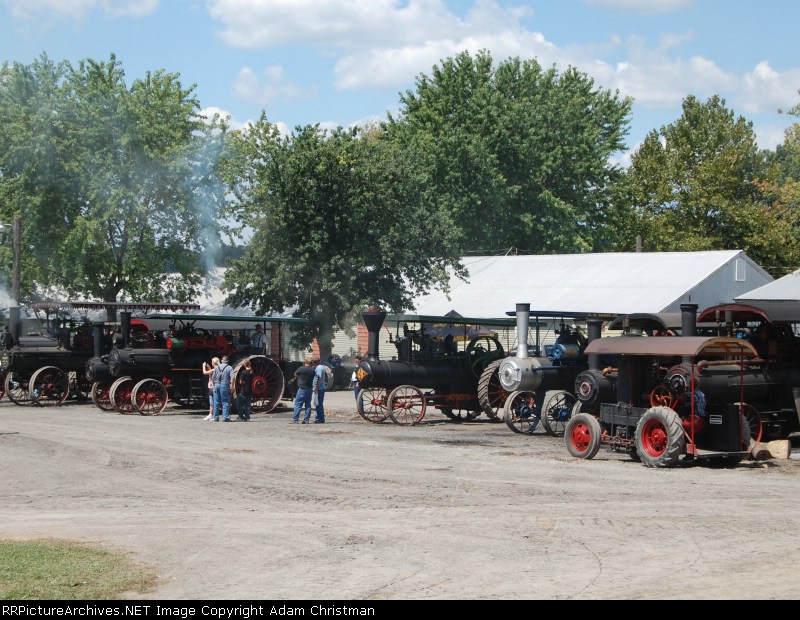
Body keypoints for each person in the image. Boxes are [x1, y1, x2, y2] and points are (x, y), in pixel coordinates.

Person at [292, 355, 316, 424]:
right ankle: (306, 420)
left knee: (298, 404)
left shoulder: (301, 368)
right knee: (308, 405)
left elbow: (295, 374)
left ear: (305, 361)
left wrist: (298, 377)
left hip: (302, 389)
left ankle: (295, 419)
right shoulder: (313, 370)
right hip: (309, 389)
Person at [212, 355, 234, 422]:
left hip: (216, 384)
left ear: (221, 360)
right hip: (224, 385)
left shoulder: (217, 367)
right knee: (225, 401)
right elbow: (232, 378)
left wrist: (213, 386)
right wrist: (232, 386)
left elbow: (213, 378)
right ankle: (225, 417)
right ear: (227, 361)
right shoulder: (229, 368)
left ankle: (215, 418)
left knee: (216, 402)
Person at [202, 356, 220, 421]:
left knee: (213, 402)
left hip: (213, 387)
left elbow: (205, 373)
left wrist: (203, 366)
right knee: (211, 402)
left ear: (213, 362)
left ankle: (213, 415)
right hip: (212, 386)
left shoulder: (215, 369)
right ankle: (210, 414)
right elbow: (210, 374)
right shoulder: (217, 369)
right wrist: (208, 367)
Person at [312, 356, 328, 424]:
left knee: (318, 404)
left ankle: (320, 418)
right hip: (320, 388)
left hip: (320, 388)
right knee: (318, 403)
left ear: (314, 362)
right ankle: (319, 417)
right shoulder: (320, 367)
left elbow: (319, 379)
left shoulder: (319, 368)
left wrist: (316, 388)